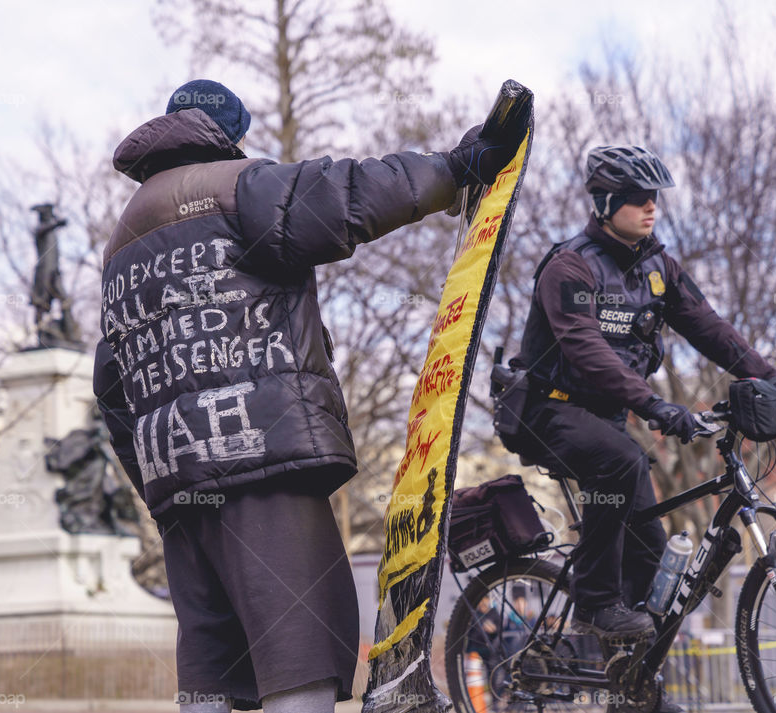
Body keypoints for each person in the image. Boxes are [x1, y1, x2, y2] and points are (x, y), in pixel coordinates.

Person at [92, 78, 526, 713]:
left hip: (179, 486)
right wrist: (455, 170)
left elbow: (112, 389)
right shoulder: (235, 185)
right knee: (299, 656)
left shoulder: (120, 247)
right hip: (263, 460)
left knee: (213, 668)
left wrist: (159, 486)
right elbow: (344, 194)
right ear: (228, 133)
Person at [509, 145, 776, 712]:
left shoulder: (657, 267)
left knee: (649, 555)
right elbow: (585, 349)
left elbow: (710, 328)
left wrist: (771, 377)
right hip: (549, 409)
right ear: (605, 202)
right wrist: (656, 406)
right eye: (640, 198)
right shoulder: (569, 267)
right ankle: (595, 600)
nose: (651, 207)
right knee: (620, 460)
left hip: (609, 418)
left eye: (655, 198)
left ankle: (635, 689)